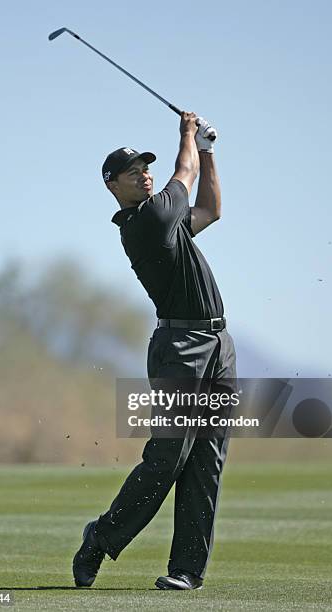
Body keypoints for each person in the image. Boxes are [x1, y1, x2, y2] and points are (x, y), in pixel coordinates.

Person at [73, 112, 237, 590]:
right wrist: (188, 135)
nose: (145, 173)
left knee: (207, 458)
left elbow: (209, 211)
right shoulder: (144, 222)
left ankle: (186, 570)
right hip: (180, 347)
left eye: (147, 167)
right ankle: (99, 538)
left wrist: (207, 153)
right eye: (133, 172)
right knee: (168, 457)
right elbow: (181, 178)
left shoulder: (169, 222)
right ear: (113, 187)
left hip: (218, 345)